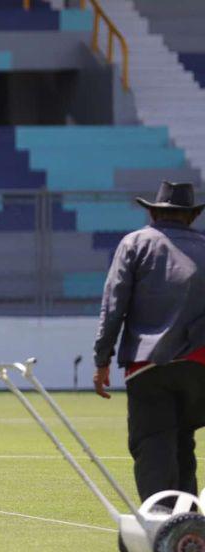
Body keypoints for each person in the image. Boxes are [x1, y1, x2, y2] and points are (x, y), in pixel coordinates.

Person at [93, 181, 205, 502]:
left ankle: (161, 520)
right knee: (183, 440)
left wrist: (102, 360)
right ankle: (187, 523)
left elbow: (114, 306)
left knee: (154, 442)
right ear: (192, 216)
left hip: (148, 362)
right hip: (200, 364)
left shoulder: (136, 243)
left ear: (154, 213)